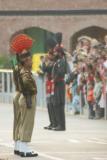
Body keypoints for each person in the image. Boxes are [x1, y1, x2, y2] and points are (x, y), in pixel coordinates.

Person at [17, 50, 38, 157]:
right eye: (30, 60)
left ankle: (22, 147)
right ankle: (25, 149)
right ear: (25, 61)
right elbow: (25, 83)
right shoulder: (25, 72)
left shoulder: (24, 71)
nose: (32, 62)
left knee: (24, 122)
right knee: (27, 123)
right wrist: (33, 89)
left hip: (25, 98)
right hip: (28, 98)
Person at [52, 46, 67, 131]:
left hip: (60, 83)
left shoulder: (62, 61)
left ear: (60, 53)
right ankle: (59, 124)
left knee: (60, 104)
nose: (54, 53)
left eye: (56, 52)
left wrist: (55, 78)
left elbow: (61, 72)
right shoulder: (58, 61)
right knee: (56, 104)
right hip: (57, 83)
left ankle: (62, 125)